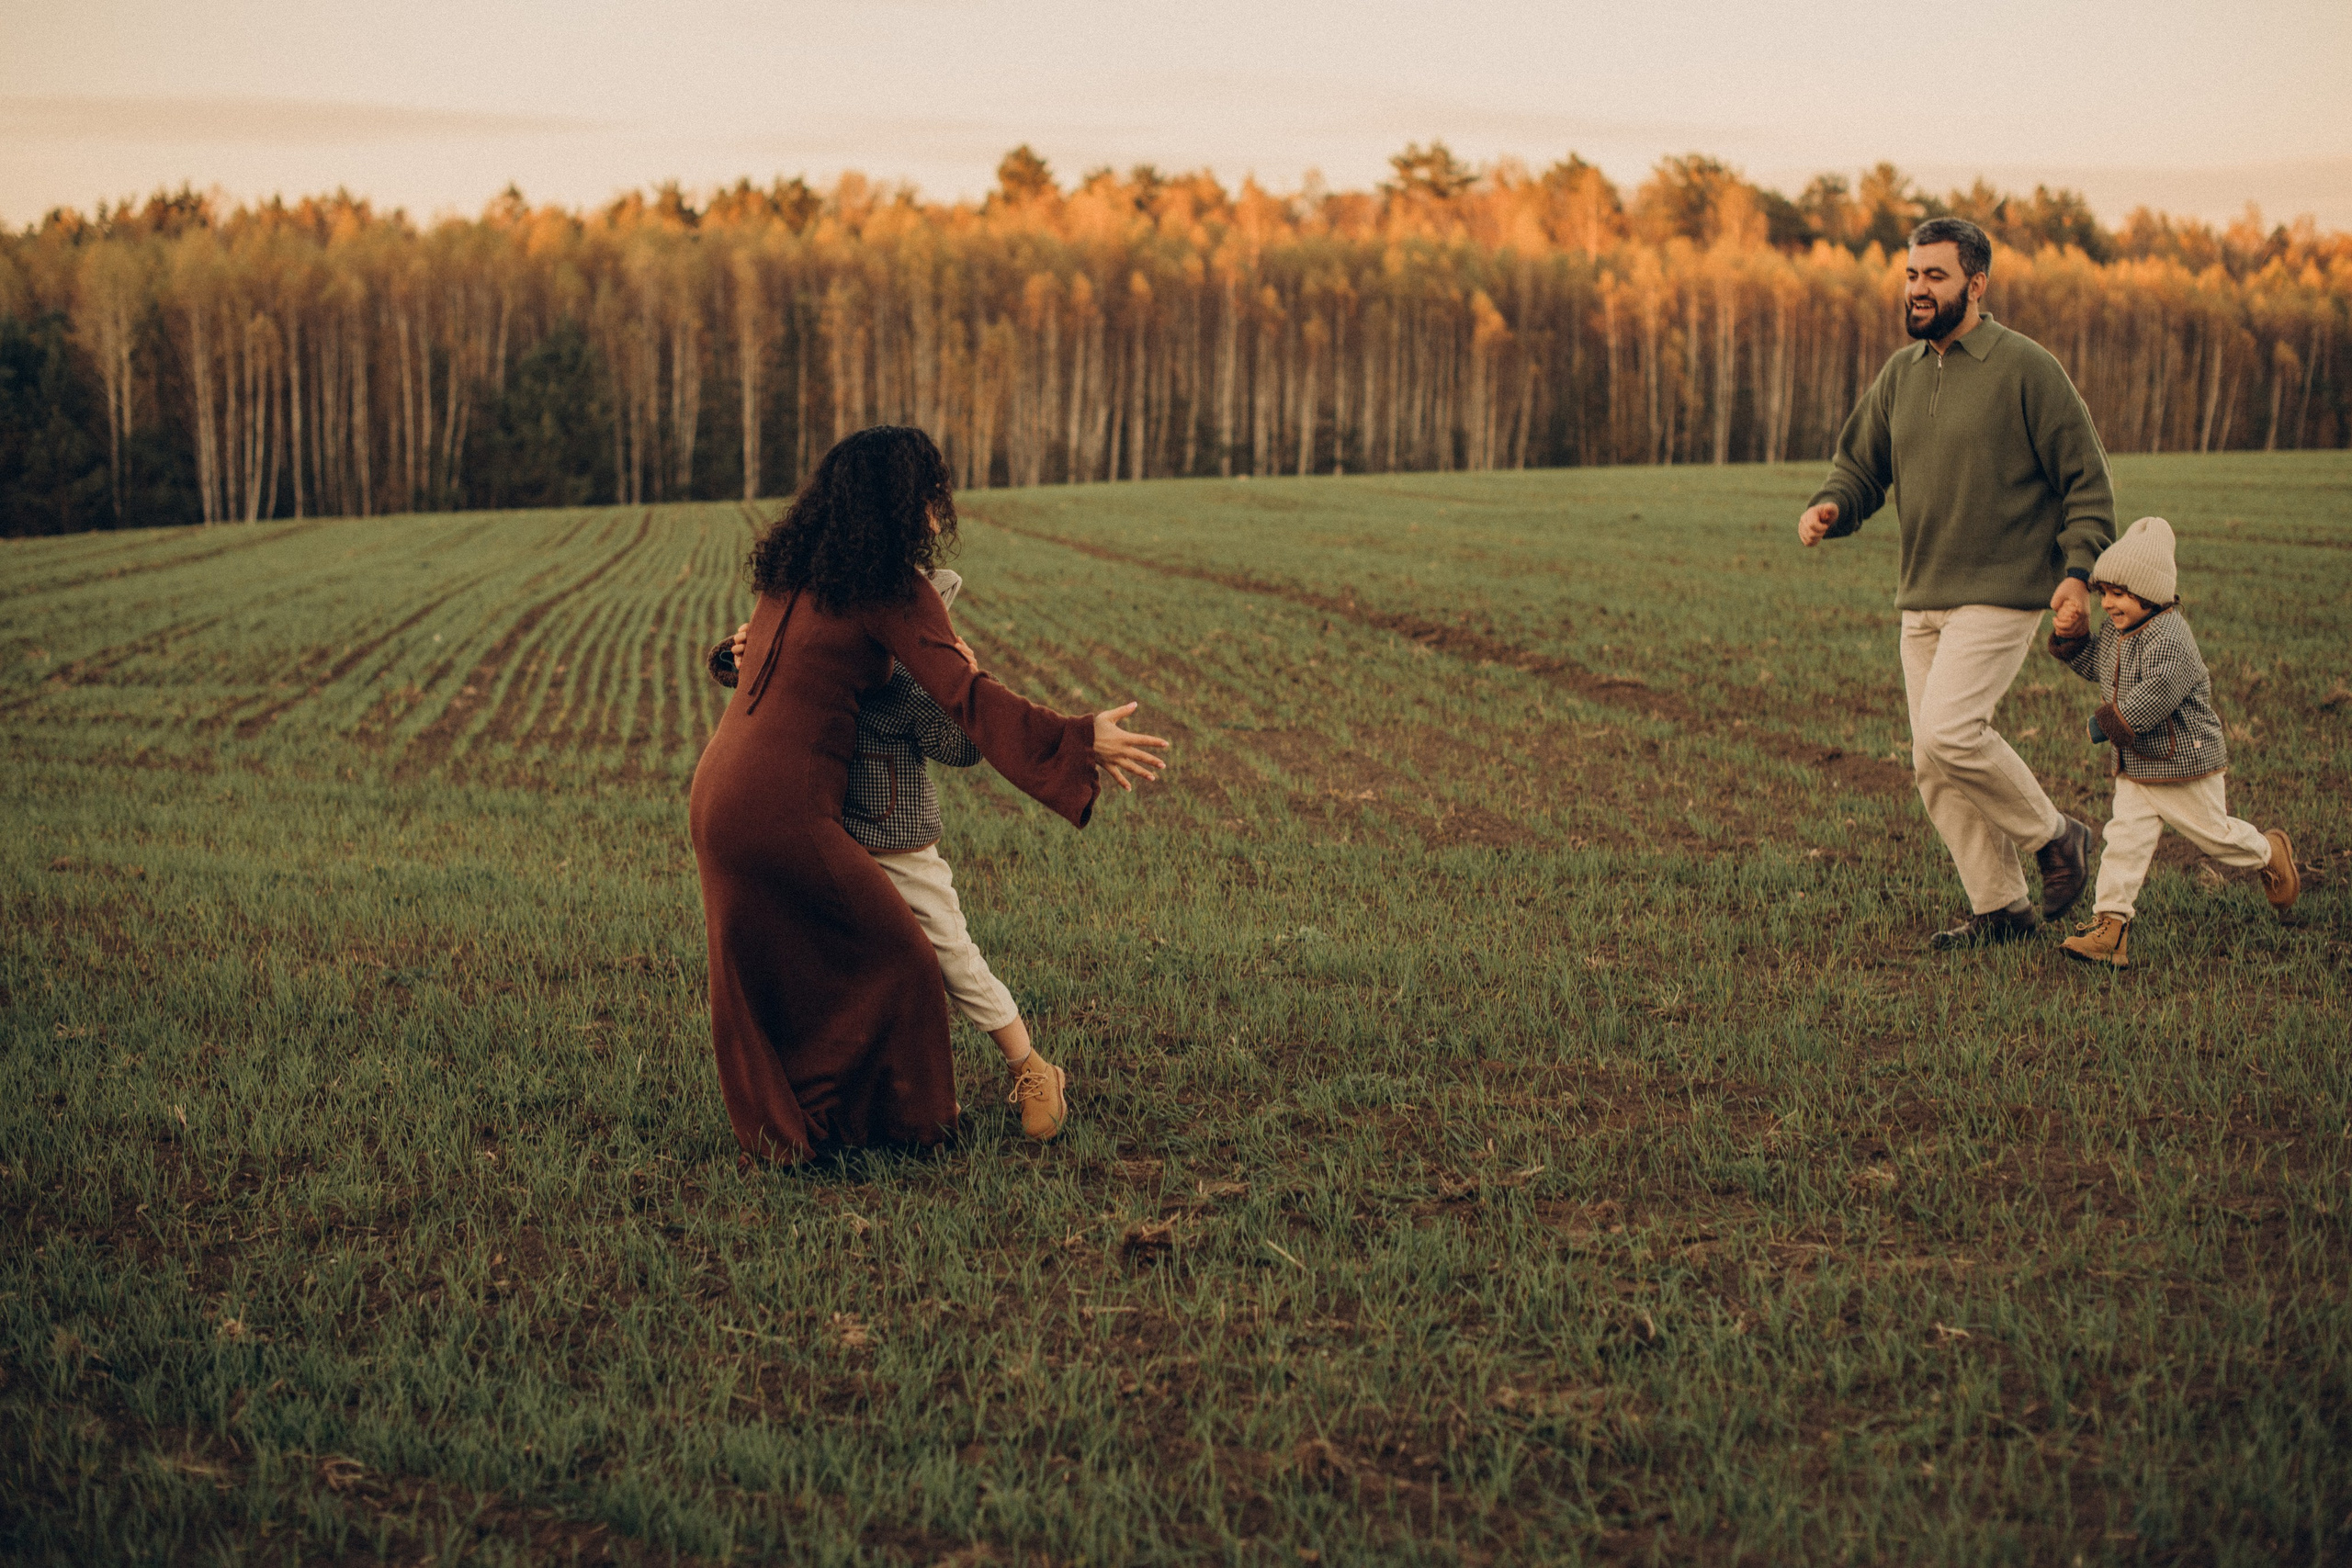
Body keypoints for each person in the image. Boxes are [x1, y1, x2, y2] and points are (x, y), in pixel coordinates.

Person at [689, 425, 1168, 1165]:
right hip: (784, 808)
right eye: (930, 502)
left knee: (789, 952)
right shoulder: (885, 586)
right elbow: (966, 700)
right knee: (905, 954)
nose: (938, 520)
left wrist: (730, 653)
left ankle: (819, 1112)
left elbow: (757, 659)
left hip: (717, 796)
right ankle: (910, 1122)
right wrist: (1077, 738)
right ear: (899, 506)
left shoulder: (795, 571)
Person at [1797, 216, 2114, 951]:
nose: (1916, 289)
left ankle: (2058, 836)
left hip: (2003, 589)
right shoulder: (1900, 376)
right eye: (1911, 275)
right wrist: (1833, 505)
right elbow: (1861, 468)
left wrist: (2077, 573)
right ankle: (2001, 909)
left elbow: (2087, 480)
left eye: (1933, 276)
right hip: (1924, 594)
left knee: (1950, 732)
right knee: (1931, 763)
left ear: (1975, 284)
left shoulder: (2026, 368)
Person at [707, 570, 1073, 1140]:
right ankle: (859, 1082)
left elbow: (961, 746)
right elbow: (762, 680)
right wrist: (739, 652)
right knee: (843, 958)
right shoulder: (830, 649)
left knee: (952, 956)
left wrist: (958, 680)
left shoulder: (908, 681)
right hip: (830, 836)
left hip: (901, 844)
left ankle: (1031, 1066)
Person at [2046, 516, 2300, 969]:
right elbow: (2100, 670)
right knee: (2122, 840)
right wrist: (2072, 639)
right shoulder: (2120, 631)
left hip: (2183, 763)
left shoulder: (2171, 637)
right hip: (2138, 766)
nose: (2108, 603)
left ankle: (2268, 852)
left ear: (2151, 592)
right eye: (2104, 593)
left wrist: (2107, 723)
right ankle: (2110, 927)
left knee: (2216, 837)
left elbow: (2159, 692)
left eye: (2119, 594)